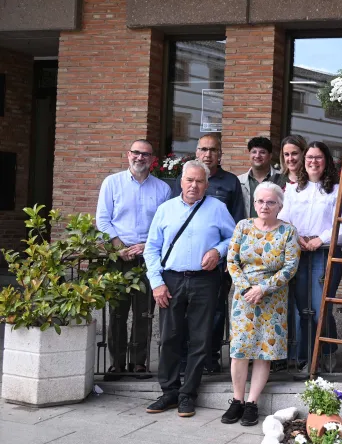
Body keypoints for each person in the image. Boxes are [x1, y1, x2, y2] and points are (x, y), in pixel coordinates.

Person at [144, 160, 235, 418]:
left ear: (206, 184)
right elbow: (151, 248)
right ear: (181, 182)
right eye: (189, 180)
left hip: (204, 281)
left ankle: (188, 394)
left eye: (199, 181)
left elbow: (234, 238)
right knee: (169, 337)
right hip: (171, 280)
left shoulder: (217, 208)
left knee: (200, 339)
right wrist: (157, 283)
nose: (194, 185)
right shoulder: (166, 209)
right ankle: (169, 391)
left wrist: (218, 251)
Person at [221, 182, 300, 426]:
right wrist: (246, 288)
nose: (265, 206)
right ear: (254, 203)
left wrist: (263, 288)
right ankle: (237, 400)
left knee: (264, 352)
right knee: (240, 350)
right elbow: (232, 261)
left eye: (271, 202)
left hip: (272, 299)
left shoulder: (288, 231)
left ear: (280, 206)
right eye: (260, 201)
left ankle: (252, 403)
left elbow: (290, 267)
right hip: (244, 297)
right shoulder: (243, 226)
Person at [96, 140, 171, 380]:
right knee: (117, 312)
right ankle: (116, 364)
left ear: (153, 159)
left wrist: (147, 246)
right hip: (118, 257)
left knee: (144, 313)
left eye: (145, 154)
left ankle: (139, 363)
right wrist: (119, 247)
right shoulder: (112, 183)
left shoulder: (162, 189)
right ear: (128, 154)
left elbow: (165, 225)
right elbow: (103, 219)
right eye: (136, 153)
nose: (140, 158)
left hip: (148, 257)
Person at [172, 133, 245, 373]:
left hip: (218, 265)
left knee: (215, 312)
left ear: (220, 154)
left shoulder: (231, 182)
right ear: (196, 152)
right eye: (203, 149)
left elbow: (237, 225)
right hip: (184, 265)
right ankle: (184, 359)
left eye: (213, 150)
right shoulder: (182, 179)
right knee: (185, 314)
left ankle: (210, 358)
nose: (208, 154)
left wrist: (226, 256)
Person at [278, 141, 342, 372]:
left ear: (326, 161)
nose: (313, 162)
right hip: (299, 253)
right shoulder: (293, 190)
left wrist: (321, 239)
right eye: (309, 157)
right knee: (303, 310)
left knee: (320, 307)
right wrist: (295, 236)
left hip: (325, 253)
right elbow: (283, 220)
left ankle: (324, 353)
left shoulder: (336, 190)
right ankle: (309, 357)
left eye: (318, 157)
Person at [237, 136, 283, 219]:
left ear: (270, 156)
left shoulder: (282, 178)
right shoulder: (239, 181)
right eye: (254, 152)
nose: (257, 156)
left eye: (262, 152)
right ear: (249, 155)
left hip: (276, 226)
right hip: (248, 226)